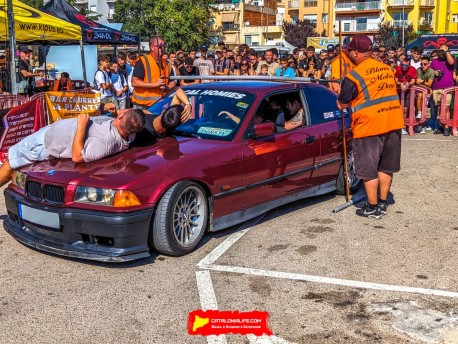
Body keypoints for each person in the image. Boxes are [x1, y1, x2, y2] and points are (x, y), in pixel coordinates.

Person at [337, 34, 404, 219]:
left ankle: (372, 207)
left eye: (349, 50)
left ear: (356, 52)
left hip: (369, 127)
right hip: (393, 123)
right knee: (386, 167)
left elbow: (342, 104)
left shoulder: (354, 75)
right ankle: (383, 203)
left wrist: (339, 97)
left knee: (369, 170)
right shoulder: (386, 69)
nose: (348, 53)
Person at [0, 109, 147, 187]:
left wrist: (82, 126)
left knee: (9, 164)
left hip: (45, 144)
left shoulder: (106, 143)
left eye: (123, 113)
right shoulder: (128, 133)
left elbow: (78, 156)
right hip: (52, 132)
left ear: (122, 118)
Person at [131, 36, 169, 109]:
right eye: (160, 46)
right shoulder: (142, 61)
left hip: (161, 104)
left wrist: (166, 87)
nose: (163, 48)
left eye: (164, 46)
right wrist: (155, 84)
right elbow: (134, 82)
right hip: (143, 105)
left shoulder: (167, 63)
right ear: (152, 47)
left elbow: (172, 82)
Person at [430, 45, 455, 136]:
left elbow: (451, 62)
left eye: (443, 51)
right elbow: (430, 72)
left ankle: (447, 127)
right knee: (439, 108)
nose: (441, 52)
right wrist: (434, 73)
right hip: (436, 88)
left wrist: (446, 51)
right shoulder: (434, 61)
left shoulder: (449, 59)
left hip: (447, 88)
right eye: (440, 50)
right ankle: (440, 126)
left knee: (447, 107)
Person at [415, 56, 436, 131]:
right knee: (419, 98)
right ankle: (419, 124)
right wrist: (426, 86)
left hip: (429, 92)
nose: (423, 66)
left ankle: (428, 124)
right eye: (421, 64)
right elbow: (417, 82)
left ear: (428, 64)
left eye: (425, 64)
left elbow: (429, 83)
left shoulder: (431, 71)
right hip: (422, 90)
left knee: (431, 108)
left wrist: (423, 82)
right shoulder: (418, 70)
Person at [394, 57, 417, 123]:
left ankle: (403, 124)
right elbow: (396, 81)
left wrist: (407, 84)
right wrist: (401, 84)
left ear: (409, 65)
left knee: (406, 109)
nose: (404, 67)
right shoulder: (398, 68)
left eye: (406, 65)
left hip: (408, 91)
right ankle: (398, 123)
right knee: (397, 108)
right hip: (399, 90)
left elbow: (413, 81)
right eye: (402, 65)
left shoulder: (412, 69)